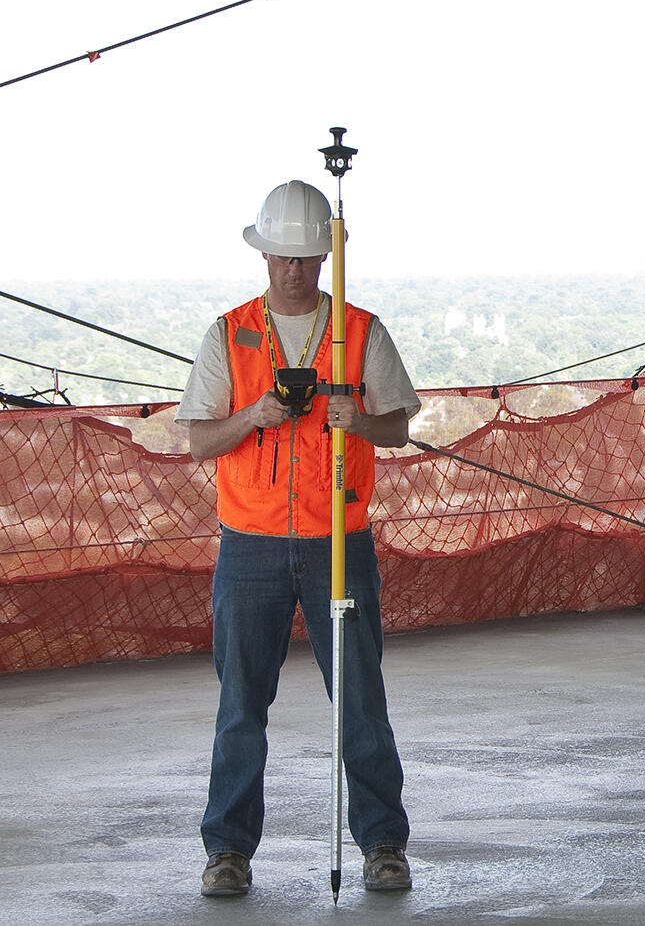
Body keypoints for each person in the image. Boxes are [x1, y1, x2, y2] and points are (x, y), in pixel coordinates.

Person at [177, 180, 421, 898]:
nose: (294, 269)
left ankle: (383, 843)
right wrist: (254, 414)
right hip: (248, 543)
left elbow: (399, 426)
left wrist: (357, 418)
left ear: (325, 256)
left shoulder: (360, 330)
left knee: (359, 700)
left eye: (308, 256)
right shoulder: (228, 334)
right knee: (240, 705)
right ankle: (227, 849)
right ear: (265, 255)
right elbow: (197, 441)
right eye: (283, 256)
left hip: (337, 542)